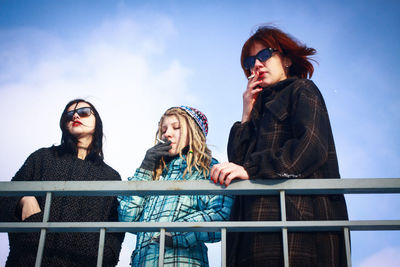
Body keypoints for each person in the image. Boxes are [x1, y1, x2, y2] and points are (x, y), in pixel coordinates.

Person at [210, 25, 349, 266]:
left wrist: (252, 170)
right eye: (250, 62)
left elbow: (311, 147)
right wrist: (246, 113)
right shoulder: (256, 109)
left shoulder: (301, 89)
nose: (257, 65)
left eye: (264, 55)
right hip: (250, 231)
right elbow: (239, 163)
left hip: (296, 224)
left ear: (285, 58)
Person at [0, 99, 124, 266]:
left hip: (83, 263)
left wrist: (107, 254)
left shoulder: (111, 176)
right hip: (29, 258)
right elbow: (4, 199)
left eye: (84, 112)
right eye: (69, 115)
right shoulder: (42, 157)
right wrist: (23, 200)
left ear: (97, 121)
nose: (75, 116)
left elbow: (115, 227)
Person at [118, 106, 233, 267]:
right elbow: (127, 218)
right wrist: (145, 169)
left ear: (193, 133)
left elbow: (221, 212)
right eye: (163, 130)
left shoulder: (204, 168)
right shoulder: (156, 176)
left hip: (183, 262)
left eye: (176, 127)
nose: (167, 134)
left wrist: (174, 233)